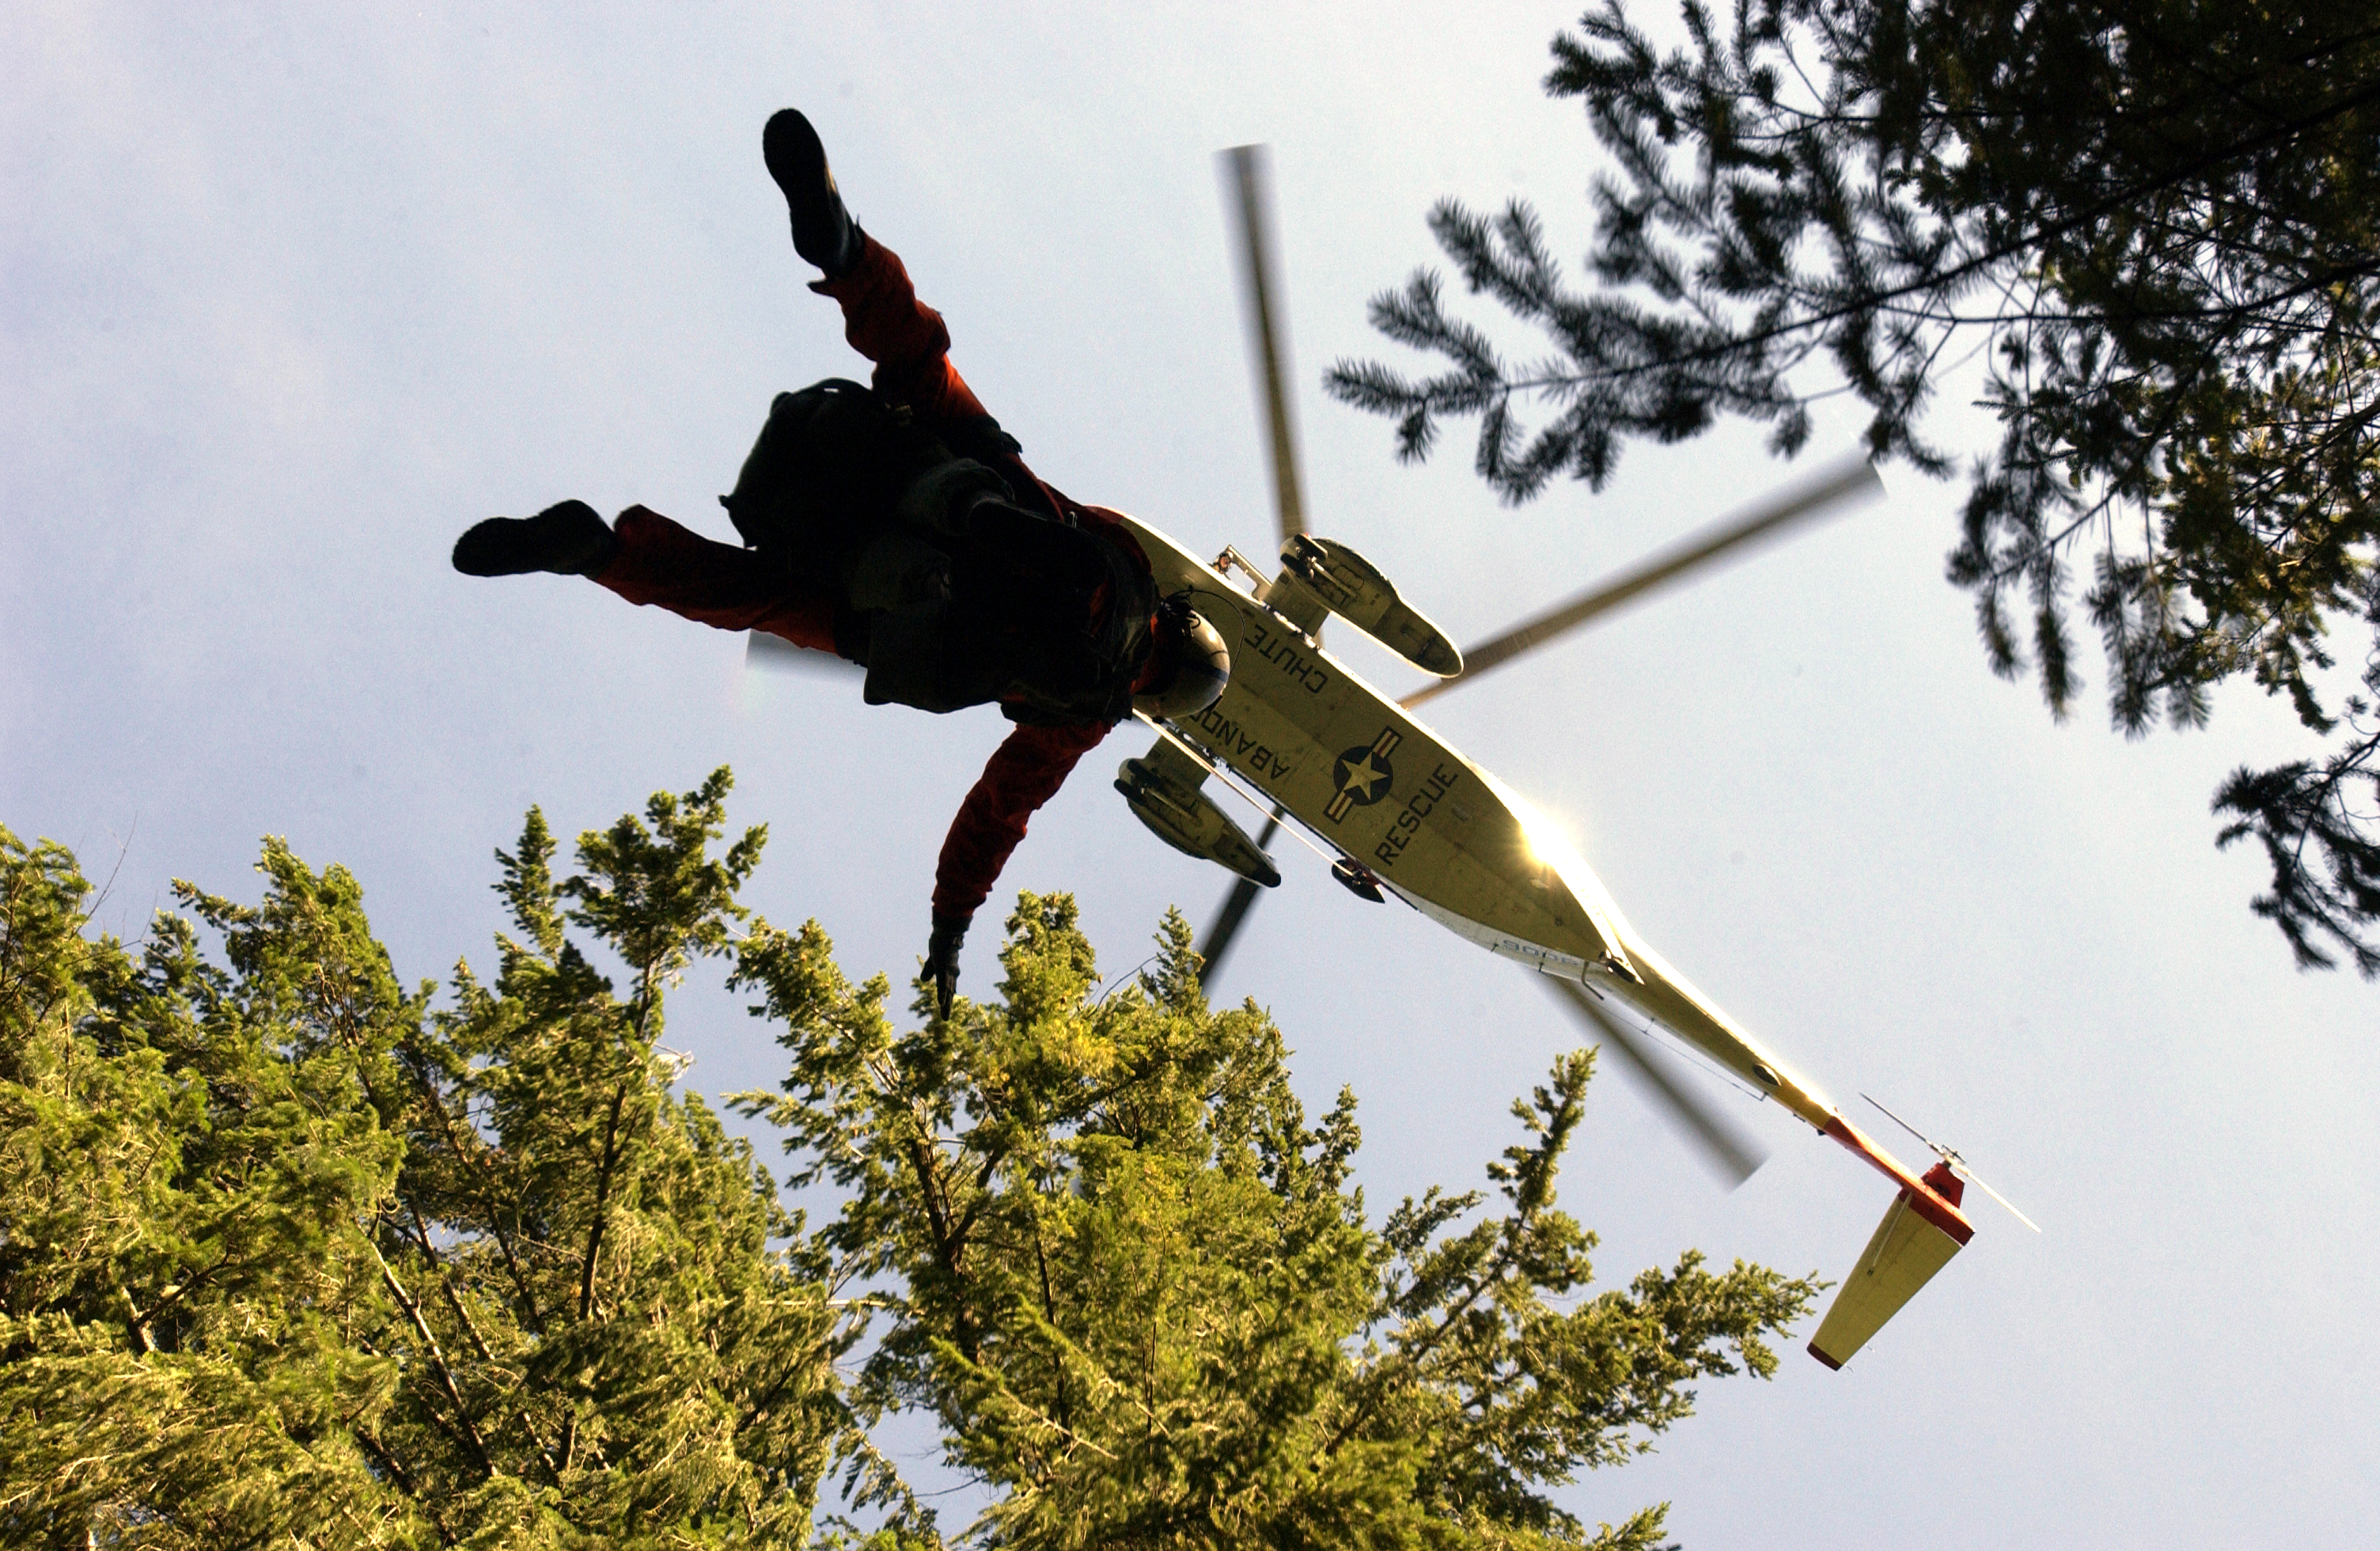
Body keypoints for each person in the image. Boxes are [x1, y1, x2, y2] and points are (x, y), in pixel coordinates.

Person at [453, 109, 1230, 1016]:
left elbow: (1075, 516)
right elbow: (993, 820)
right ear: (1151, 696)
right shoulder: (1080, 719)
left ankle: (842, 247)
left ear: (1178, 622)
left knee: (917, 354)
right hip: (881, 599)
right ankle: (600, 552)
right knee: (741, 599)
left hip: (944, 478)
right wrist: (948, 929)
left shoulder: (1127, 561)